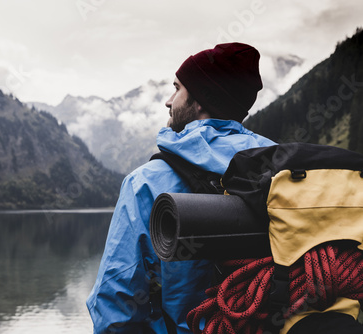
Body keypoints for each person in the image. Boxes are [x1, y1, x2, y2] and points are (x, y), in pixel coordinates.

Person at [86, 42, 276, 333]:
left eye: (177, 89)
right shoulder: (281, 170)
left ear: (200, 101)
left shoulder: (146, 183)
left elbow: (115, 304)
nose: (168, 100)